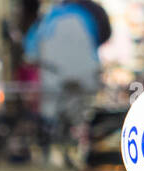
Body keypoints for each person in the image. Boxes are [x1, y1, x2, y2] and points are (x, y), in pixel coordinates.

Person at [23, 0, 102, 160]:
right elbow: (95, 46)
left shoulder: (49, 19)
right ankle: (75, 149)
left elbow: (30, 52)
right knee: (78, 116)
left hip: (54, 76)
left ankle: (50, 151)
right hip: (83, 75)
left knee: (52, 117)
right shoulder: (85, 17)